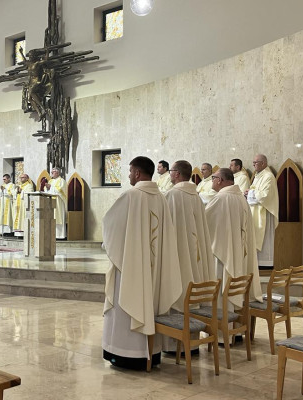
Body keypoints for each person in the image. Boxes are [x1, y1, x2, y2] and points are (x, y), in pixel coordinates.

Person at [102, 156, 182, 369]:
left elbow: (110, 225)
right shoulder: (161, 197)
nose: (129, 175)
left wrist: (110, 245)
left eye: (130, 171)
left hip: (130, 264)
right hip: (154, 268)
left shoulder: (131, 195)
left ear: (137, 173)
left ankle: (125, 353)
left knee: (127, 302)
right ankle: (150, 353)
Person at [206, 168, 262, 305]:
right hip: (237, 249)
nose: (212, 181)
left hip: (223, 252)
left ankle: (223, 314)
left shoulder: (220, 198)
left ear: (219, 180)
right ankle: (233, 310)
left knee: (222, 281)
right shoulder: (241, 198)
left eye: (213, 178)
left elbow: (204, 224)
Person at [166, 160, 215, 311]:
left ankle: (180, 305)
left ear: (177, 174)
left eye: (171, 171)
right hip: (196, 246)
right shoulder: (196, 196)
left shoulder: (172, 195)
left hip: (178, 247)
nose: (169, 174)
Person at [247, 154, 279, 269]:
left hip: (265, 213)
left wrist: (249, 193)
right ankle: (257, 264)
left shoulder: (268, 176)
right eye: (253, 162)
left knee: (265, 241)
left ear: (263, 163)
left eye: (255, 162)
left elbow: (264, 196)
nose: (253, 164)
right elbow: (254, 192)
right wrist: (248, 193)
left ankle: (266, 265)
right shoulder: (258, 176)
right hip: (256, 211)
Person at [44, 167, 67, 239]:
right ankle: (51, 234)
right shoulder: (50, 181)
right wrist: (47, 188)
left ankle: (60, 236)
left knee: (58, 217)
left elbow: (61, 190)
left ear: (57, 173)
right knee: (51, 217)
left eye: (53, 172)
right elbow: (46, 191)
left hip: (58, 202)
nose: (51, 173)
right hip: (50, 201)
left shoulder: (62, 181)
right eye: (51, 172)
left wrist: (51, 187)